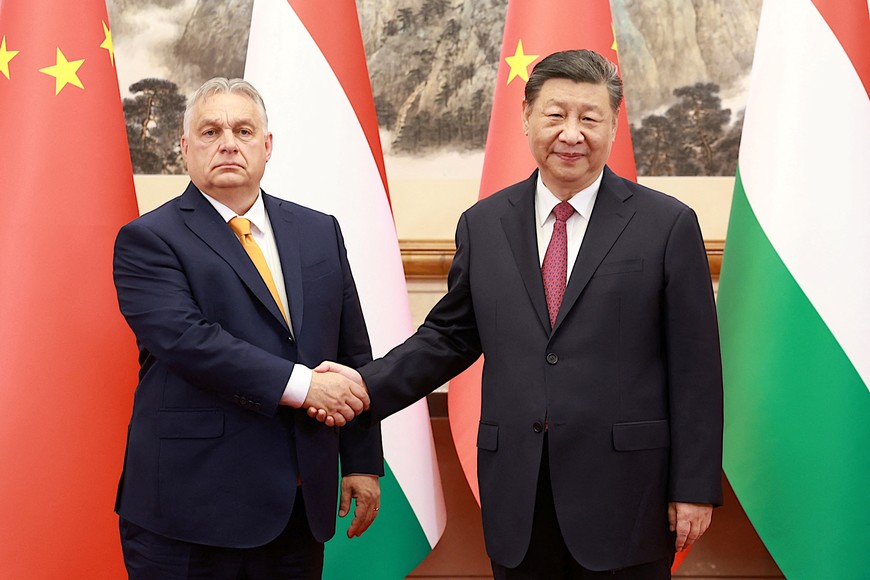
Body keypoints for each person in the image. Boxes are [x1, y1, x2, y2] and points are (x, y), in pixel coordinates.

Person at [315, 50, 723, 579]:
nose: (571, 133)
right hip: (519, 494)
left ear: (614, 125)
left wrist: (692, 488)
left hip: (627, 494)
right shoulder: (484, 225)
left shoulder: (666, 225)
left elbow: (696, 368)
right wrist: (364, 388)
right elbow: (449, 337)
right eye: (555, 115)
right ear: (527, 117)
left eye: (589, 117)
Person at [112, 77, 382, 579]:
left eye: (243, 129)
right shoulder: (148, 239)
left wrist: (363, 459)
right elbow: (189, 342)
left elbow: (352, 350)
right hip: (189, 512)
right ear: (184, 147)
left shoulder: (319, 230)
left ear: (267, 144)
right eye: (211, 131)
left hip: (299, 507)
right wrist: (306, 387)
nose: (229, 143)